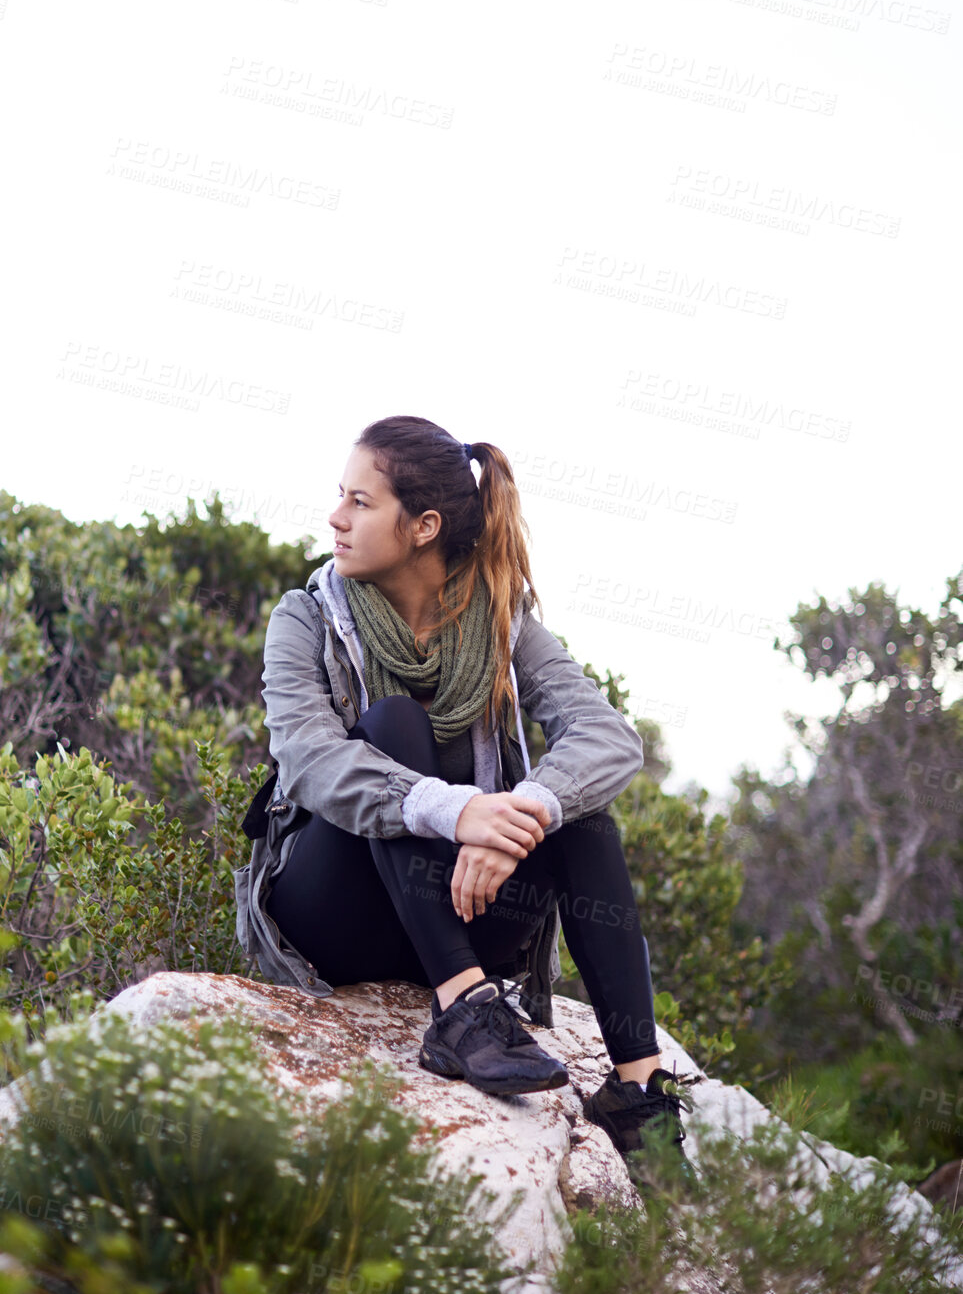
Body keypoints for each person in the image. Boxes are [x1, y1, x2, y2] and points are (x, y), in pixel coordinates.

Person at [233, 415, 690, 1176]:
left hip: (470, 905)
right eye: (339, 497)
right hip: (336, 916)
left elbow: (608, 738)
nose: (334, 518)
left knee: (584, 824)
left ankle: (637, 1091)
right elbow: (309, 760)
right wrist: (457, 810)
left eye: (359, 501)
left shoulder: (503, 623)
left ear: (423, 526)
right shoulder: (306, 616)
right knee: (390, 724)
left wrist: (523, 810)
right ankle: (463, 1010)